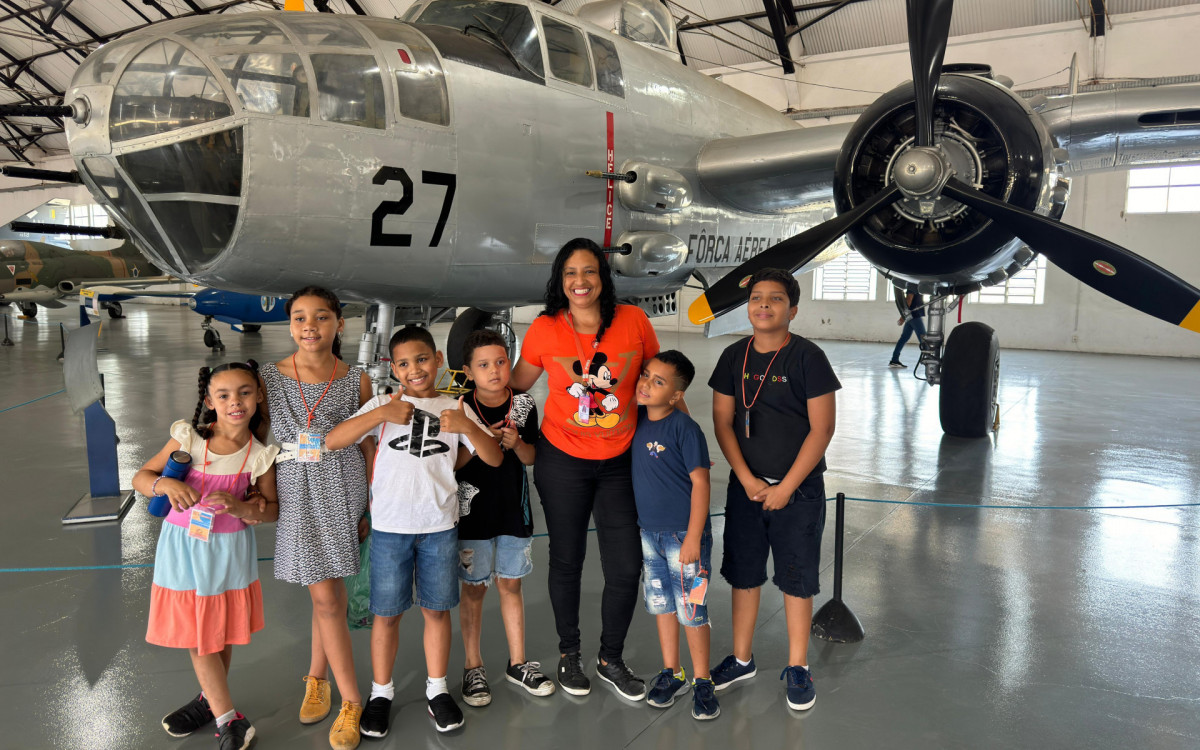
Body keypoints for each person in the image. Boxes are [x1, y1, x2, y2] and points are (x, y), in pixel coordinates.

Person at [510, 237, 670, 702]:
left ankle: (610, 658)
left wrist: (675, 443)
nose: (580, 282)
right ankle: (569, 654)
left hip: (621, 461)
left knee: (625, 566)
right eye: (570, 274)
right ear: (560, 282)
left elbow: (654, 381)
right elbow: (517, 384)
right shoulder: (543, 328)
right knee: (567, 561)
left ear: (603, 278)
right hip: (562, 459)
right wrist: (464, 395)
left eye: (589, 272)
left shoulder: (635, 322)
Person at [325, 326, 503, 738]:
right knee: (385, 615)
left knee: (436, 610)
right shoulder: (382, 404)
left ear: (438, 359)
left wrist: (467, 425)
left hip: (439, 527)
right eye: (403, 364)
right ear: (394, 368)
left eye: (422, 359)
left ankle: (437, 689)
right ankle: (381, 693)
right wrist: (379, 414)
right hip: (390, 529)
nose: (414, 369)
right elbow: (334, 440)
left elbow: (492, 458)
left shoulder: (455, 406)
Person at [707, 267, 840, 712]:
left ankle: (798, 666)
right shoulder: (732, 357)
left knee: (796, 579)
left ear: (793, 310)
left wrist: (786, 486)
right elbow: (723, 422)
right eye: (756, 297)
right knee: (744, 575)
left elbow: (821, 430)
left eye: (776, 298)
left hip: (797, 492)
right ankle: (742, 658)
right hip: (747, 489)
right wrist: (745, 478)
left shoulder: (807, 358)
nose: (763, 304)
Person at [134, 361, 280, 750]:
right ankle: (230, 719)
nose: (236, 402)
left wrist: (241, 508)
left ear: (259, 396)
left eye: (245, 392)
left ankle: (209, 702)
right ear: (209, 400)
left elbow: (270, 510)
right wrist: (163, 483)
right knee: (200, 638)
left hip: (229, 553)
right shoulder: (190, 441)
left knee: (217, 633)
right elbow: (141, 477)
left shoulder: (259, 455)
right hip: (183, 549)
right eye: (225, 395)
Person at [259, 286, 372, 750]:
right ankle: (348, 699)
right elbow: (256, 437)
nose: (311, 326)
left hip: (343, 492)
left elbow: (367, 445)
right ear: (289, 325)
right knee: (326, 595)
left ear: (339, 325)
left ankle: (321, 680)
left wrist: (370, 502)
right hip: (297, 494)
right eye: (300, 317)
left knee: (329, 594)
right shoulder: (268, 377)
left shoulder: (356, 379)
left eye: (322, 317)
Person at [454, 329, 555, 707]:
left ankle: (518, 661)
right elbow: (453, 463)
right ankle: (473, 665)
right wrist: (483, 442)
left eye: (500, 362)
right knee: (475, 589)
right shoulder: (460, 408)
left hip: (514, 509)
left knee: (511, 585)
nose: (494, 371)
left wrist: (518, 444)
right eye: (483, 365)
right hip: (472, 513)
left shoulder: (524, 404)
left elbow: (531, 459)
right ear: (468, 371)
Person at [632, 350, 719, 721]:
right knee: (662, 605)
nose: (647, 384)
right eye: (647, 375)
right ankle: (673, 673)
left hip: (686, 537)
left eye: (659, 382)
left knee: (692, 611)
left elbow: (701, 483)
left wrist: (693, 539)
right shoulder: (635, 420)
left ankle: (703, 681)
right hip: (649, 535)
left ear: (676, 396)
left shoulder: (686, 429)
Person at [889, 290, 926, 368]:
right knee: (924, 339)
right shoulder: (912, 284)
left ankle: (894, 360)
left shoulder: (917, 284)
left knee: (904, 338)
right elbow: (908, 299)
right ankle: (930, 362)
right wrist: (903, 317)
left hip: (910, 316)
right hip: (914, 315)